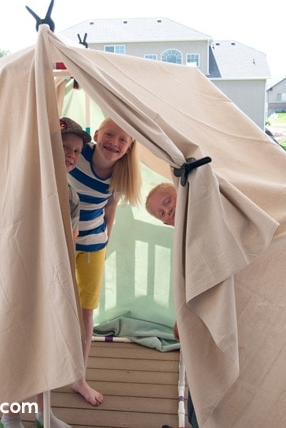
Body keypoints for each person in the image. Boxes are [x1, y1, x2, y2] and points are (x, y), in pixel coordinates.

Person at [1, 118, 91, 428]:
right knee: (15, 346)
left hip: (49, 281)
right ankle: (11, 416)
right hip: (19, 276)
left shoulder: (72, 196)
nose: (70, 154)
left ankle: (43, 412)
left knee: (45, 345)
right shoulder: (29, 180)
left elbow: (70, 243)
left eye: (76, 151)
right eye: (64, 146)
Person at [68, 117, 142, 405]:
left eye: (123, 140)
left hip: (92, 246)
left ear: (128, 148)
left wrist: (106, 238)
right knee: (55, 305)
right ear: (97, 134)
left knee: (87, 312)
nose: (115, 142)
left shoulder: (120, 175)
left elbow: (111, 207)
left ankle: (79, 378)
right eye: (110, 134)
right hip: (61, 242)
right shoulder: (77, 153)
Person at [146, 182, 199, 428]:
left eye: (168, 203)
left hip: (209, 322)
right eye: (162, 214)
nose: (168, 214)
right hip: (196, 322)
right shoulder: (185, 235)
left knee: (204, 384)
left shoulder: (201, 228)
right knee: (198, 384)